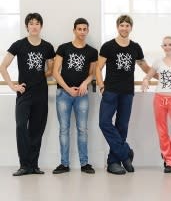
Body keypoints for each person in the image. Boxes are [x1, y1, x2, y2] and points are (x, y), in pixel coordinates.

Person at [0, 13, 55, 176]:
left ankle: (33, 165)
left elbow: (51, 69)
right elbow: (3, 66)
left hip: (41, 93)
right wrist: (12, 86)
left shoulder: (47, 46)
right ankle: (24, 165)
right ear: (27, 27)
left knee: (37, 129)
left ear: (41, 26)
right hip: (24, 94)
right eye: (31, 23)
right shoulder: (18, 45)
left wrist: (39, 77)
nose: (34, 26)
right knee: (21, 126)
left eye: (37, 23)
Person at [96, 14, 151, 175]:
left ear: (131, 28)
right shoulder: (108, 46)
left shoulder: (135, 47)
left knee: (122, 126)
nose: (124, 28)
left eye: (127, 25)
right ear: (117, 27)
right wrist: (101, 87)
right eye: (122, 25)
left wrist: (163, 77)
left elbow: (145, 68)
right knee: (104, 122)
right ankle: (125, 152)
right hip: (110, 91)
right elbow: (98, 68)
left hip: (127, 92)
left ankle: (113, 162)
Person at [52, 18, 98, 174]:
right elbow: (55, 72)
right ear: (74, 30)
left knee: (82, 129)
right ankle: (64, 164)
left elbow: (92, 73)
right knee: (64, 129)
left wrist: (85, 82)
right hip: (64, 93)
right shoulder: (63, 48)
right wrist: (67, 89)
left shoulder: (92, 51)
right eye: (79, 29)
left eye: (85, 29)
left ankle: (84, 163)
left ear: (88, 31)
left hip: (82, 95)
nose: (82, 32)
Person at [141, 36, 171, 173]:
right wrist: (145, 80)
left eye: (170, 44)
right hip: (159, 98)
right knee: (162, 131)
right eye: (165, 45)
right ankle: (169, 161)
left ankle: (168, 154)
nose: (168, 47)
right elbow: (149, 75)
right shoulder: (158, 62)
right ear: (162, 47)